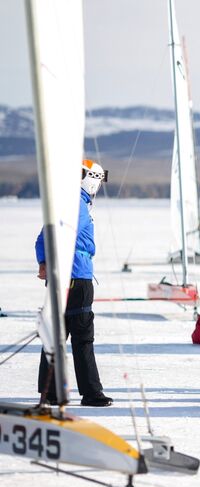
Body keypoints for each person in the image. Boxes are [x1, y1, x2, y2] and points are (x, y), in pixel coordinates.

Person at [36, 159, 112, 407]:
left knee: (56, 333)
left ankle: (50, 391)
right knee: (82, 335)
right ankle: (91, 393)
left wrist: (44, 262)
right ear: (91, 179)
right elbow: (61, 232)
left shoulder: (64, 202)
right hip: (77, 276)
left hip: (62, 276)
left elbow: (42, 237)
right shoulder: (77, 204)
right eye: (99, 180)